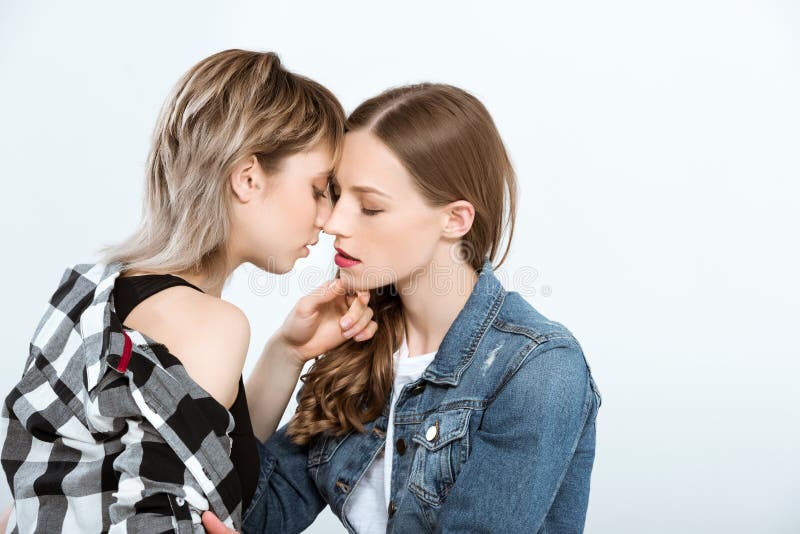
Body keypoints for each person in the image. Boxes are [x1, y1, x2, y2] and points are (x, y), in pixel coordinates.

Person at [0, 49, 376, 533]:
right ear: (248, 178)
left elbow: (205, 457)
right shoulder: (208, 325)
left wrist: (288, 350)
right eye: (319, 188)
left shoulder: (96, 289)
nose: (327, 221)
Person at [204, 83, 602, 534]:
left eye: (370, 207)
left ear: (455, 219)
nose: (333, 222)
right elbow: (250, 514)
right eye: (336, 193)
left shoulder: (537, 368)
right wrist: (286, 354)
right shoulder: (360, 347)